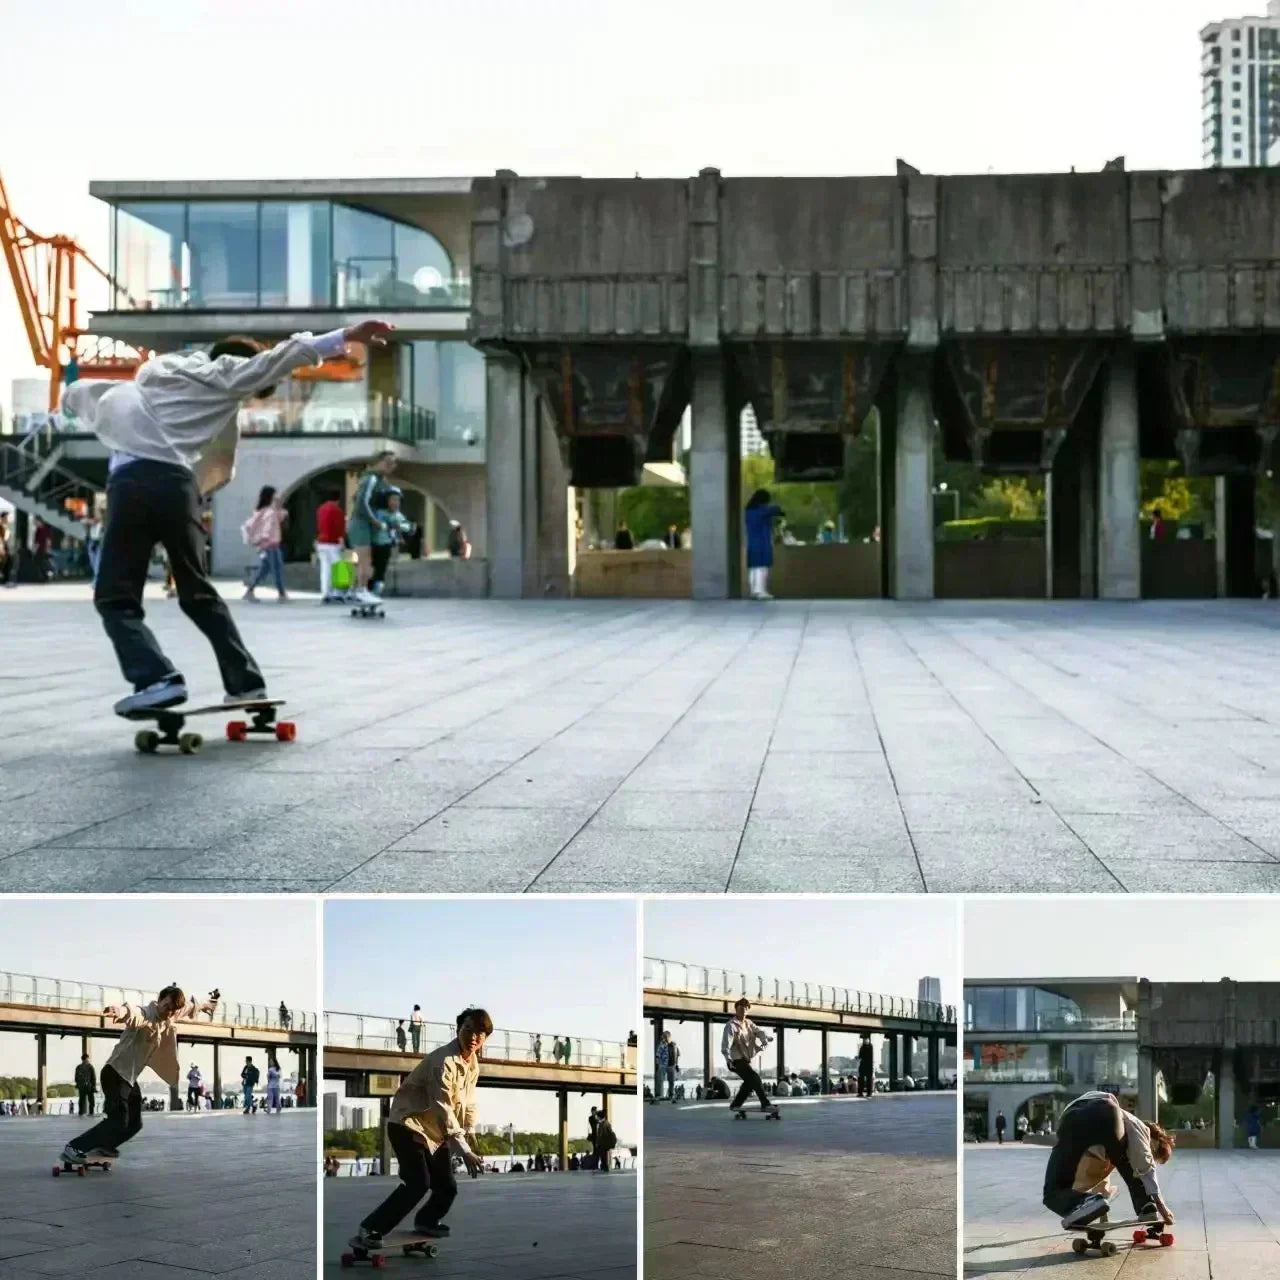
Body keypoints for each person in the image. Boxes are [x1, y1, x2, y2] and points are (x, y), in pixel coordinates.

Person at [61, 319, 393, 715]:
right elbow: (278, 358)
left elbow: (85, 394)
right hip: (178, 487)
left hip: (133, 484)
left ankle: (155, 678)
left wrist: (66, 402)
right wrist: (343, 337)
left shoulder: (154, 376)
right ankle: (246, 683)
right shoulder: (224, 374)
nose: (245, 399)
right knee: (198, 591)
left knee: (116, 595)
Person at [347, 1007, 492, 1253]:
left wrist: (470, 1131)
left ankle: (426, 1221)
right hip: (408, 1123)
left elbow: (467, 1101)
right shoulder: (443, 1061)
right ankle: (370, 1227)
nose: (473, 1037)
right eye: (468, 1030)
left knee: (447, 1186)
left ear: (486, 1038)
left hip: (435, 1130)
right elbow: (443, 1107)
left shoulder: (473, 1063)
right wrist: (464, 1149)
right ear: (458, 1029)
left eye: (480, 1033)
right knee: (418, 1182)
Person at [62, 985, 216, 1166]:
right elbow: (133, 1013)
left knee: (135, 1124)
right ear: (159, 1000)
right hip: (114, 1073)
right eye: (166, 1006)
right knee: (119, 1120)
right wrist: (119, 1011)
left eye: (172, 1010)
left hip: (129, 1078)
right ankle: (74, 1147)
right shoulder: (147, 1014)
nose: (168, 1012)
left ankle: (106, 1146)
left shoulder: (170, 1015)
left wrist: (207, 1004)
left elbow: (190, 1006)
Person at [1042, 1091, 1175, 1230]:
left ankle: (1085, 1202)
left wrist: (1101, 1209)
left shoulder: (1121, 1135)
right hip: (1104, 1110)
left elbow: (1102, 1178)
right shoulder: (1139, 1125)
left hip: (1072, 1122)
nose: (1152, 1158)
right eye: (1154, 1154)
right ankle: (1147, 1207)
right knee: (1129, 1162)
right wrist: (1161, 1206)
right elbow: (1144, 1162)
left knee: (1053, 1192)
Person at [347, 451, 399, 601]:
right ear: (377, 462)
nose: (392, 466)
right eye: (388, 462)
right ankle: (361, 590)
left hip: (365, 524)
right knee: (365, 560)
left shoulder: (379, 479)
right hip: (361, 524)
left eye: (394, 463)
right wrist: (375, 521)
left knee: (365, 560)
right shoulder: (370, 478)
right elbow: (361, 503)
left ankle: (357, 590)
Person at [722, 997, 776, 1114]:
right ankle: (765, 1104)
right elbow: (726, 1044)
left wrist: (764, 1039)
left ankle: (736, 1104)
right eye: (740, 1008)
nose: (743, 1010)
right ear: (736, 1010)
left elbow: (759, 1032)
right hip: (735, 1060)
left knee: (749, 1082)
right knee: (754, 1077)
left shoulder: (748, 1023)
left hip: (745, 1059)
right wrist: (728, 1059)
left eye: (746, 1008)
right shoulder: (731, 1025)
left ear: (748, 1010)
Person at [242, 486, 288, 602]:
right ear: (271, 495)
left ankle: (250, 591)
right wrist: (265, 538)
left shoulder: (264, 510)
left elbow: (281, 516)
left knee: (264, 570)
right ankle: (282, 594)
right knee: (277, 569)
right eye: (276, 494)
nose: (278, 496)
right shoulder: (269, 512)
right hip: (271, 545)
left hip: (266, 545)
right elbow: (267, 528)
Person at [370, 488, 414, 597]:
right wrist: (388, 525)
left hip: (384, 546)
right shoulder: (379, 513)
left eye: (398, 500)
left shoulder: (397, 515)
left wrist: (401, 526)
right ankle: (367, 591)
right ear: (386, 501)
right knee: (370, 571)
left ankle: (375, 592)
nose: (396, 503)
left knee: (380, 571)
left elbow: (408, 527)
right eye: (393, 500)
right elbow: (377, 525)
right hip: (372, 545)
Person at [744, 489, 784, 600]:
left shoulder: (748, 511)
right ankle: (760, 591)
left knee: (753, 568)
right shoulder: (762, 511)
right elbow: (777, 510)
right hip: (762, 542)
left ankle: (753, 590)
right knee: (762, 568)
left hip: (752, 543)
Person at [315, 490, 347, 601]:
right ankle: (338, 592)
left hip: (321, 542)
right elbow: (339, 528)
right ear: (338, 499)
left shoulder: (320, 509)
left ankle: (325, 593)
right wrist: (342, 541)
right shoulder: (337, 510)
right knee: (339, 567)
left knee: (325, 569)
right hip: (333, 543)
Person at [656, 1031, 679, 1102]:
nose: (664, 1038)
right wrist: (657, 1064)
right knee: (660, 1080)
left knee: (671, 1081)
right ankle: (659, 1095)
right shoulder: (662, 1045)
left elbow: (677, 1055)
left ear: (669, 1036)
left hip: (672, 1065)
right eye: (663, 1036)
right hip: (663, 1065)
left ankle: (671, 1095)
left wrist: (676, 1065)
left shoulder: (674, 1045)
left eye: (665, 1036)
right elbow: (657, 1055)